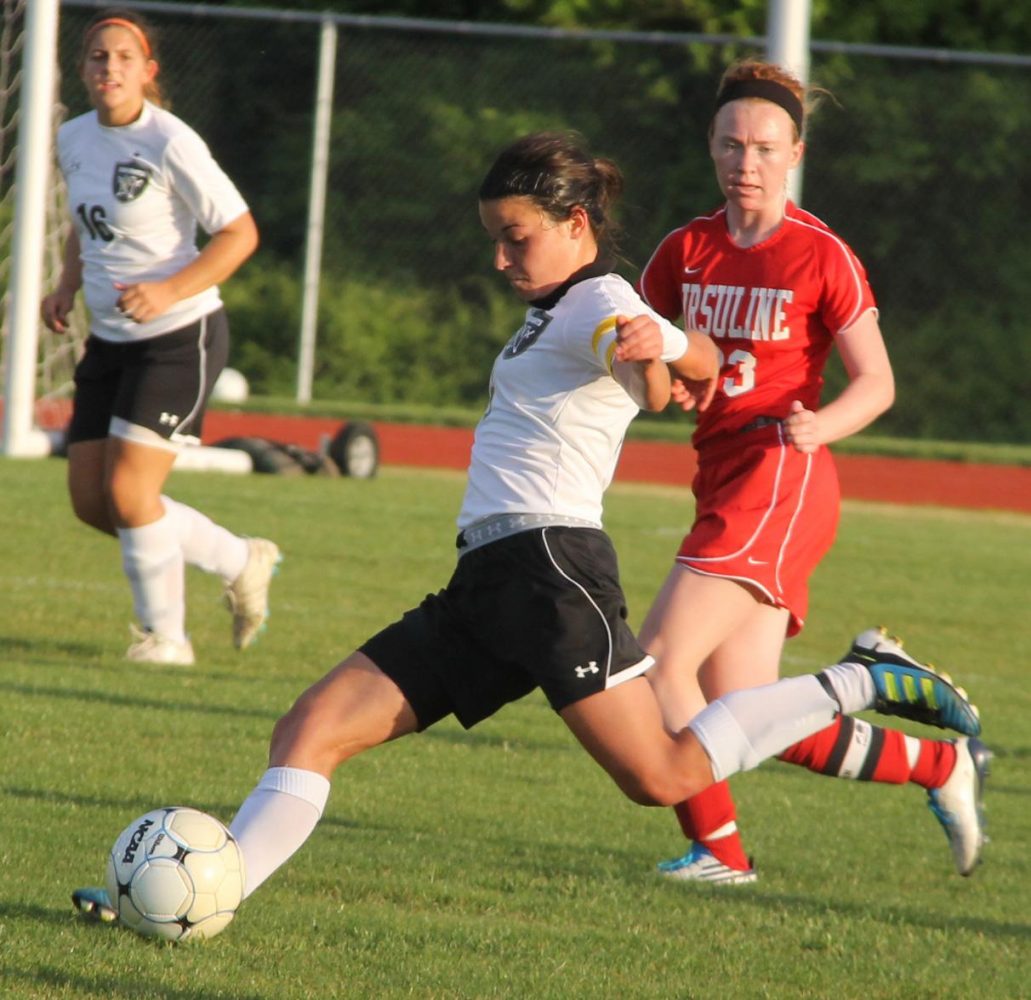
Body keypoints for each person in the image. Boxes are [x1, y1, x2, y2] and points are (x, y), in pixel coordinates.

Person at [69, 130, 983, 925]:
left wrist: (658, 346)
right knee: (309, 729)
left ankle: (860, 680)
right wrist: (670, 354)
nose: (502, 259)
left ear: (575, 227)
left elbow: (677, 349)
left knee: (662, 774)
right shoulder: (561, 307)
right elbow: (686, 358)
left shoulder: (595, 299)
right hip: (487, 584)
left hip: (551, 574)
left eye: (517, 239)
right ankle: (203, 900)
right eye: (495, 240)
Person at [636, 59, 990, 884]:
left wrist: (816, 424)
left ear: (794, 152)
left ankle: (720, 851)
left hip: (780, 475)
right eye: (730, 144)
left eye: (763, 146)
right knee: (746, 715)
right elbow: (652, 373)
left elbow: (878, 382)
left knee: (657, 659)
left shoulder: (819, 253)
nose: (744, 162)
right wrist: (666, 376)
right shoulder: (684, 250)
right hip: (723, 478)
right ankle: (935, 764)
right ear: (711, 149)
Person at [40, 8, 280, 666]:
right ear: (83, 70)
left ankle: (165, 640)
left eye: (122, 58)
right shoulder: (75, 137)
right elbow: (86, 225)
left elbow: (240, 233)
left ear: (147, 72)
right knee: (95, 504)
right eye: (97, 57)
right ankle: (239, 558)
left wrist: (170, 290)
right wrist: (66, 283)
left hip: (181, 337)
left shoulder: (170, 141)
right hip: (111, 342)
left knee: (130, 496)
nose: (108, 67)